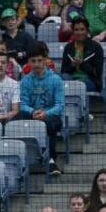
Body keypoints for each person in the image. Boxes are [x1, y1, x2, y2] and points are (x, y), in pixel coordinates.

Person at [19, 41, 65, 175]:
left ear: (45, 60)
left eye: (40, 60)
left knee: (49, 123)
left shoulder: (56, 80)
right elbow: (23, 104)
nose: (37, 64)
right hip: (32, 115)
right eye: (33, 61)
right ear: (28, 62)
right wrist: (33, 111)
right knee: (16, 118)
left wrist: (45, 113)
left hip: (52, 117)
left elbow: (59, 106)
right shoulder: (25, 81)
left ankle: (51, 160)